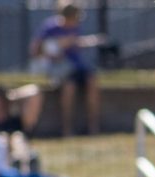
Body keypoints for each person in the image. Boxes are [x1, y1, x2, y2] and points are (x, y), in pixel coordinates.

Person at [30, 2, 102, 137]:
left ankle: (93, 127)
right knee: (70, 87)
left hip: (77, 66)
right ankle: (67, 129)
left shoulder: (75, 27)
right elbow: (35, 50)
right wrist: (58, 45)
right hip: (60, 69)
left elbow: (76, 42)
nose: (77, 21)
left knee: (92, 80)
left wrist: (89, 41)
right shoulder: (50, 27)